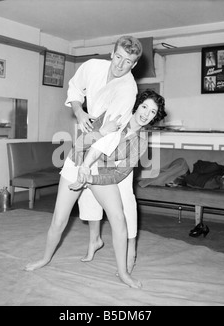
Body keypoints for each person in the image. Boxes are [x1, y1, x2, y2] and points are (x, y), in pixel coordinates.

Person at [24, 90, 166, 289]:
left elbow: (119, 174)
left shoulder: (141, 142)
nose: (146, 114)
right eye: (144, 107)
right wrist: (102, 132)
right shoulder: (114, 114)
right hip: (77, 163)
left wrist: (91, 178)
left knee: (118, 219)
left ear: (155, 117)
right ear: (137, 105)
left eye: (152, 112)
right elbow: (80, 143)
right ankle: (45, 258)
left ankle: (123, 273)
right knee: (59, 219)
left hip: (100, 171)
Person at [65, 35, 143, 272]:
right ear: (112, 53)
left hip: (115, 143)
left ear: (134, 65)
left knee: (124, 198)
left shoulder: (129, 90)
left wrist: (87, 162)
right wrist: (79, 111)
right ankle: (94, 240)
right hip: (94, 135)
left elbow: (110, 134)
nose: (120, 65)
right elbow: (75, 88)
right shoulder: (91, 66)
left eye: (127, 61)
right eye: (118, 57)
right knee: (87, 192)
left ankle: (131, 248)